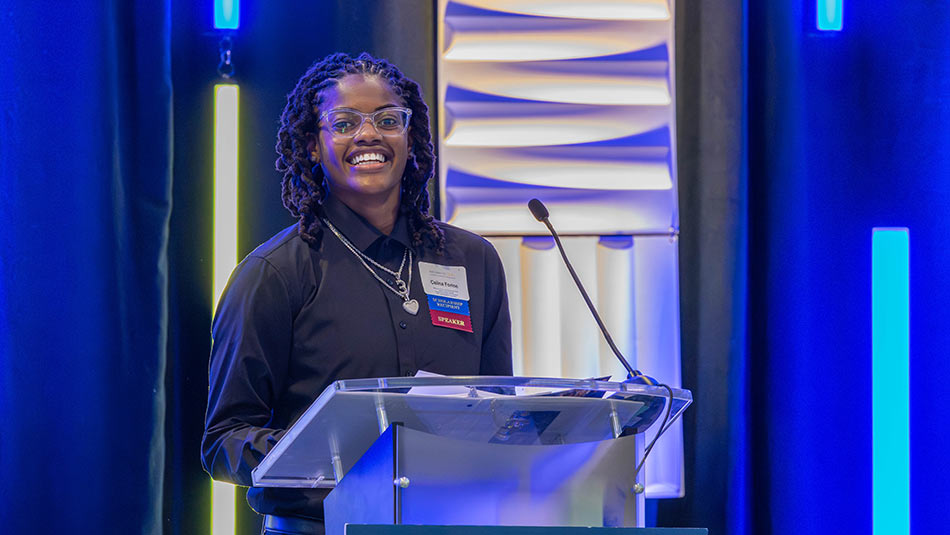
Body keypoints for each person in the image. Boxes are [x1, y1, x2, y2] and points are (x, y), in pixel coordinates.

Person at [201, 52, 513, 535]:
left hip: (450, 523)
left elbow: (497, 407)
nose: (369, 135)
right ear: (311, 145)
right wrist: (329, 453)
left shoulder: (473, 262)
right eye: (344, 123)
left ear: (410, 139)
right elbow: (224, 441)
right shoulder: (274, 273)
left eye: (388, 120)